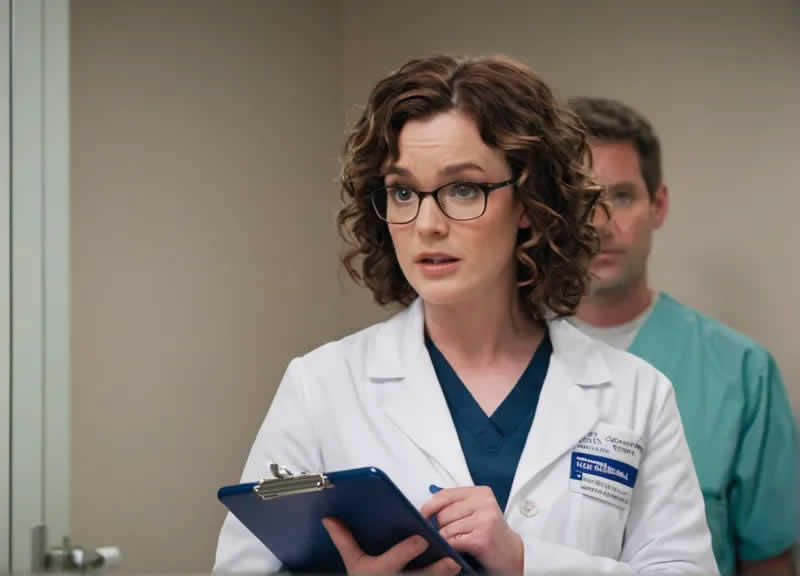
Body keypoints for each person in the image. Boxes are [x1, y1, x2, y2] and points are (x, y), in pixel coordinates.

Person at [213, 55, 717, 574]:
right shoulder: (321, 386)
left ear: (529, 203)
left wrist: (526, 562)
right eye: (403, 192)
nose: (427, 224)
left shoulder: (637, 395)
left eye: (463, 189)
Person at [569, 96, 797, 576]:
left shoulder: (742, 373)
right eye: (580, 198)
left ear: (659, 205)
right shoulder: (501, 357)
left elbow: (768, 561)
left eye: (621, 196)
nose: (600, 223)